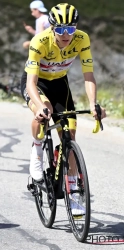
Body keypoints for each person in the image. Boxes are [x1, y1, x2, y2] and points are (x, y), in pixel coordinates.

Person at [21, 3, 106, 215]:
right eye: (60, 29)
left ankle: (74, 192)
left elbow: (88, 75)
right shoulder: (40, 41)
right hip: (37, 84)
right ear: (52, 28)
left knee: (70, 136)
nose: (66, 34)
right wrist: (40, 106)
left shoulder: (82, 38)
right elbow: (31, 83)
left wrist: (94, 104)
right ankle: (37, 152)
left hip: (60, 83)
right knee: (44, 113)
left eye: (71, 28)